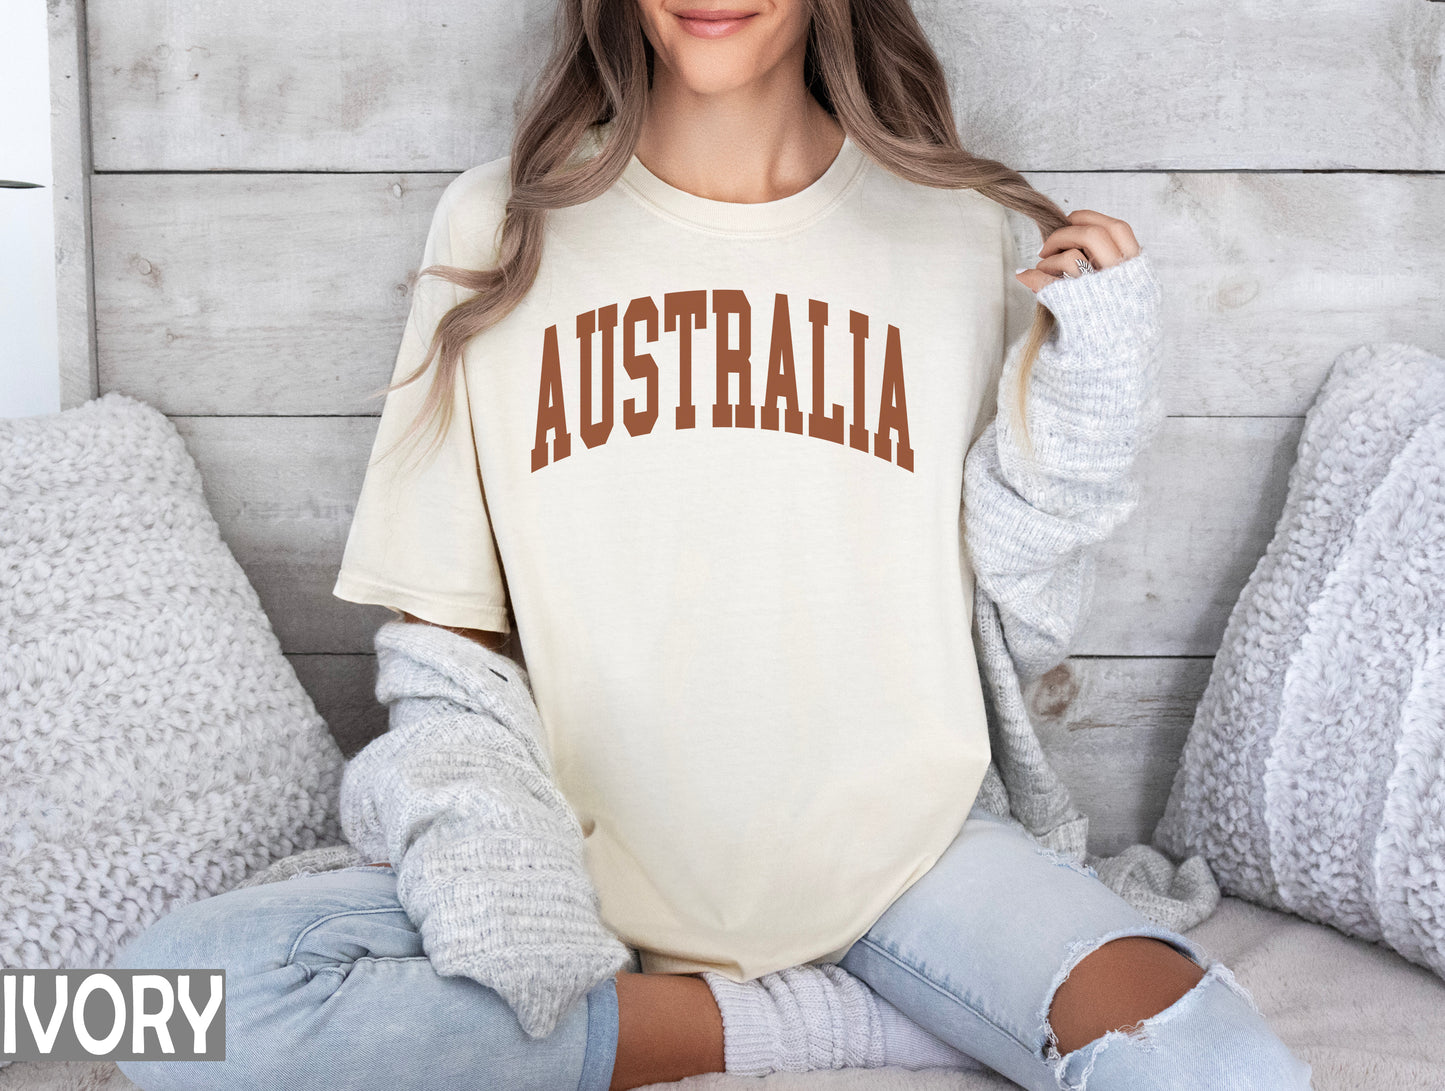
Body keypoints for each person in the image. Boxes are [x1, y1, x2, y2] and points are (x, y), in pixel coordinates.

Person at [113, 1, 1315, 1089]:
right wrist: (493, 872)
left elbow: (1020, 588)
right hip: (579, 868)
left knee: (1221, 1066)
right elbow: (444, 632)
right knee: (133, 1014)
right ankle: (823, 1019)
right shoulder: (499, 224)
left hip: (910, 864)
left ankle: (817, 998)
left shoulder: (966, 230)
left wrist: (1094, 407)